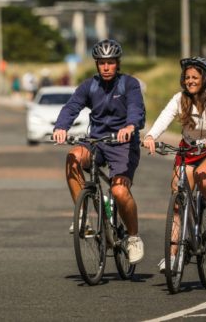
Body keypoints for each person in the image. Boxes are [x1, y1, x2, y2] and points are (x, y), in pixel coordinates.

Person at [52, 39, 146, 265]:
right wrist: (60, 127)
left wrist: (130, 126)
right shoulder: (89, 86)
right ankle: (83, 215)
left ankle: (133, 238)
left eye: (111, 63)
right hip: (97, 141)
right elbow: (72, 106)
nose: (106, 67)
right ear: (96, 64)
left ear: (117, 63)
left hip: (123, 144)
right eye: (102, 63)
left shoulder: (129, 84)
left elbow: (136, 109)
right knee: (73, 157)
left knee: (120, 193)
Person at [142, 57, 206, 273]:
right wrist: (151, 135)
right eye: (187, 77)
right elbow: (164, 117)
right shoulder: (179, 99)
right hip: (187, 151)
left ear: (205, 79)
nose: (190, 81)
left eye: (195, 77)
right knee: (177, 200)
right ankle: (174, 256)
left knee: (202, 174)